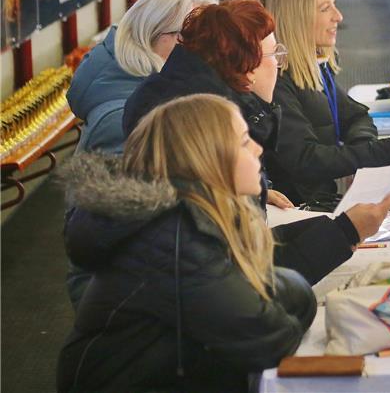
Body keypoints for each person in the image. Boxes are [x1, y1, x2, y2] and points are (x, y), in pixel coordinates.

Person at [122, 0, 390, 286]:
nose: (279, 65)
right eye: (274, 54)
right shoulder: (212, 125)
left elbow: (245, 249)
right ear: (247, 68)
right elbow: (249, 281)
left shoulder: (203, 103)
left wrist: (339, 227)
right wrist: (347, 231)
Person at [57, 94, 317, 392]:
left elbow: (244, 303)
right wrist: (296, 294)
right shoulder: (171, 236)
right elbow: (268, 340)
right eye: (245, 141)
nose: (258, 149)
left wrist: (289, 293)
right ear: (209, 159)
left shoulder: (188, 217)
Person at [255, 0, 390, 206]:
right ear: (297, 18)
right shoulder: (276, 82)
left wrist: (363, 152)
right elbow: (306, 159)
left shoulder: (315, 66)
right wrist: (385, 151)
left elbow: (356, 116)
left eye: (333, 5)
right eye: (325, 8)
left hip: (322, 200)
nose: (338, 17)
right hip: (301, 210)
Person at [67, 0, 218, 154]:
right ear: (152, 35)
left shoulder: (156, 92)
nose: (205, 49)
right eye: (192, 36)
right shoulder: (123, 120)